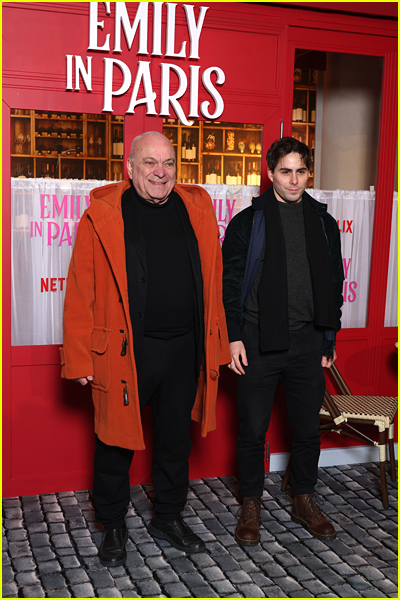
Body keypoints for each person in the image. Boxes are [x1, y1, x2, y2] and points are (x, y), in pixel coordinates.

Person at [61, 131, 231, 567]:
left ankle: (168, 517)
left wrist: (218, 343)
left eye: (169, 163)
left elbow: (213, 282)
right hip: (125, 353)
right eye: (150, 163)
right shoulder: (103, 214)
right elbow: (81, 289)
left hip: (184, 349)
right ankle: (113, 525)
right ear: (130, 168)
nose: (161, 172)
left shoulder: (196, 207)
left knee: (175, 440)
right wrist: (79, 357)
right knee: (114, 442)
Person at [222, 137, 344, 546]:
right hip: (258, 339)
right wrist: (234, 337)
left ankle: (303, 498)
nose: (294, 180)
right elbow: (231, 282)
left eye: (301, 171)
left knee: (308, 428)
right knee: (252, 429)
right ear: (270, 173)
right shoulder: (248, 221)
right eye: (285, 171)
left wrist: (329, 337)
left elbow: (333, 281)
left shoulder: (323, 221)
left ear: (309, 173)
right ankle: (251, 502)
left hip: (308, 340)